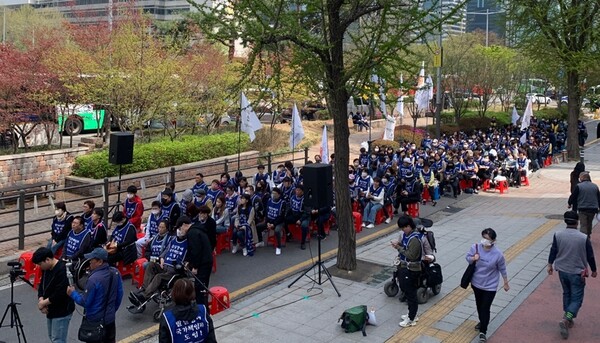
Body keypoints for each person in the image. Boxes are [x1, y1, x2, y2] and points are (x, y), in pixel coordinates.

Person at [547, 211, 597, 339]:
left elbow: (553, 250)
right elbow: (590, 255)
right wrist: (594, 270)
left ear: (565, 221)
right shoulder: (583, 237)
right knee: (577, 299)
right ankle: (566, 318)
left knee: (567, 293)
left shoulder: (558, 235)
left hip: (562, 271)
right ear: (577, 222)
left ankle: (568, 318)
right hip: (577, 273)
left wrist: (550, 264)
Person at [67, 248, 123, 343]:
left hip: (94, 321)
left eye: (92, 260)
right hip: (110, 319)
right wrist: (111, 310)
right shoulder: (115, 272)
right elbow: (119, 295)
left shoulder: (94, 279)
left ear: (100, 261)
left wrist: (72, 293)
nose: (89, 263)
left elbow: (85, 301)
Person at [130, 217, 190, 305]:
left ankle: (145, 296)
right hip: (163, 265)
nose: (179, 230)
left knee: (158, 276)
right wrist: (162, 258)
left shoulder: (187, 242)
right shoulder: (173, 240)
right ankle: (143, 289)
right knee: (150, 265)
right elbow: (166, 250)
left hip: (173, 271)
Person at [465, 228, 510, 343]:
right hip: (476, 283)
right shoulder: (475, 247)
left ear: (493, 240)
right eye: (484, 238)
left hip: (490, 286)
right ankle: (482, 321)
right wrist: (473, 258)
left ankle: (483, 331)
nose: (485, 241)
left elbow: (502, 269)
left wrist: (505, 282)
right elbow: (468, 258)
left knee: (485, 307)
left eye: (487, 239)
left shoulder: (498, 254)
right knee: (479, 306)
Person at [32, 247, 75, 343]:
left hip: (62, 310)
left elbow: (60, 293)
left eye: (40, 264)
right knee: (52, 337)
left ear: (47, 259)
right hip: (51, 309)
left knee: (58, 340)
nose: (39, 267)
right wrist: (41, 299)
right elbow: (42, 285)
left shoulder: (62, 270)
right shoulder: (46, 269)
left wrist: (43, 303)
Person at [159, 278, 217, 343]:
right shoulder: (202, 310)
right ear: (192, 293)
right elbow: (211, 339)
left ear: (174, 294)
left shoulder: (167, 318)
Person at [391, 215, 422, 328]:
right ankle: (412, 313)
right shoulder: (408, 235)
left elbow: (411, 255)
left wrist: (398, 248)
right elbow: (406, 248)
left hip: (412, 269)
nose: (402, 230)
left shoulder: (414, 239)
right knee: (408, 292)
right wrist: (399, 245)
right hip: (406, 268)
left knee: (411, 294)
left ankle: (412, 319)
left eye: (403, 228)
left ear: (409, 226)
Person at [182, 216, 213, 307]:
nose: (181, 231)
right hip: (206, 261)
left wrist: (195, 267)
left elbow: (196, 251)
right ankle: (203, 306)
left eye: (180, 228)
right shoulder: (197, 229)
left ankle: (202, 308)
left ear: (184, 225)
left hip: (203, 264)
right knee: (202, 287)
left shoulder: (192, 233)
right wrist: (188, 261)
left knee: (200, 288)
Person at [567, 171, 600, 237]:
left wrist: (569, 203)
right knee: (589, 223)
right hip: (593, 209)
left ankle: (584, 237)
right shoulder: (595, 186)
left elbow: (573, 196)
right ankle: (588, 234)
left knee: (583, 224)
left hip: (582, 208)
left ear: (582, 178)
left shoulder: (579, 186)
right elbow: (598, 198)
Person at [260, 187, 287, 255]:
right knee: (258, 226)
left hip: (279, 222)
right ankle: (260, 241)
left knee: (277, 230)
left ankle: (278, 247)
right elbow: (267, 212)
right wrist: (268, 222)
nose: (273, 195)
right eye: (272, 193)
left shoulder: (282, 203)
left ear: (279, 195)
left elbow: (281, 217)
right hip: (269, 221)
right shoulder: (269, 201)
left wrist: (273, 224)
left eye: (275, 194)